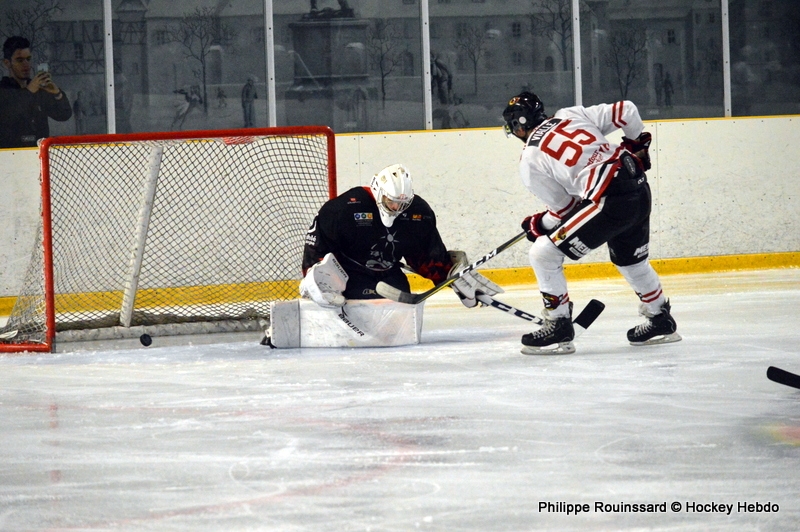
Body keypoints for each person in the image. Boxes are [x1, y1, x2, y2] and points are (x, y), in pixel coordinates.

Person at [501, 91, 681, 354]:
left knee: (543, 254)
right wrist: (636, 145)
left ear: (519, 125)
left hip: (610, 201)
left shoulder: (530, 158)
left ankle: (558, 324)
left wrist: (538, 225)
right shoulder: (570, 115)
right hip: (638, 187)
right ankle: (660, 317)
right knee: (631, 262)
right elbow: (627, 110)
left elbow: (565, 209)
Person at [300, 163, 501, 310]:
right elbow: (316, 249)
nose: (396, 207)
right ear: (378, 191)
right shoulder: (343, 209)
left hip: (389, 273)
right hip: (351, 274)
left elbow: (425, 255)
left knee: (398, 309)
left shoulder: (419, 213)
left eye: (402, 203)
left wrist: (451, 276)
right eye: (391, 201)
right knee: (362, 305)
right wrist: (316, 277)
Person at [0, 36, 72, 148]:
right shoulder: (3, 90)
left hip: (39, 151)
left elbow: (64, 115)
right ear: (7, 63)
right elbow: (9, 115)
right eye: (20, 60)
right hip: (10, 153)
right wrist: (29, 91)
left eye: (28, 59)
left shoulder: (39, 91)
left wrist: (57, 94)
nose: (26, 64)